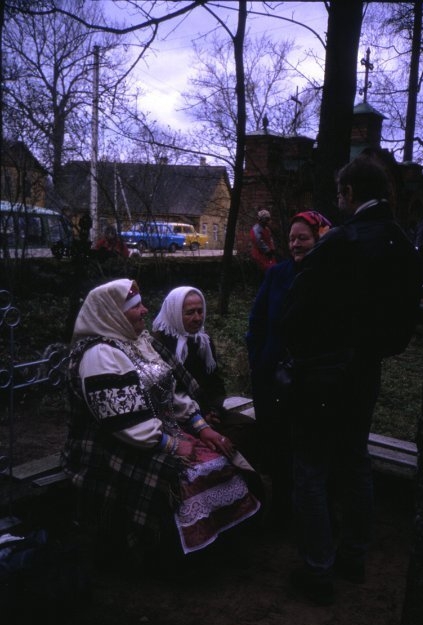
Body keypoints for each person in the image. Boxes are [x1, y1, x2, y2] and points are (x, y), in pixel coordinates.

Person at [282, 155, 422, 605]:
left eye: (341, 193)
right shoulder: (401, 244)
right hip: (366, 370)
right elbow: (405, 319)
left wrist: (302, 352)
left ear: (348, 193)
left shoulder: (343, 242)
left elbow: (297, 309)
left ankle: (318, 569)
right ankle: (353, 557)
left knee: (311, 467)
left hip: (325, 372)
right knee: (355, 460)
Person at [61, 278, 260, 564]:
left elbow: (172, 391)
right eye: (136, 306)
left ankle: (217, 538)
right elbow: (123, 422)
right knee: (180, 476)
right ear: (113, 315)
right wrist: (170, 444)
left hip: (154, 431)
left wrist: (201, 427)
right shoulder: (100, 355)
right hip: (110, 443)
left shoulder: (139, 342)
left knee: (222, 453)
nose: (145, 310)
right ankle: (170, 554)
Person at [246, 210, 332, 528]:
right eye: (292, 238)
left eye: (303, 238)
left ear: (320, 239)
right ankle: (280, 509)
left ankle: (313, 517)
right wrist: (259, 361)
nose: (296, 244)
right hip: (272, 378)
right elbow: (256, 322)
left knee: (307, 451)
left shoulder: (331, 277)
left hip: (311, 382)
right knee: (276, 445)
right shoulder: (277, 274)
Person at [152, 286, 262, 476]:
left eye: (200, 311)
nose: (197, 318)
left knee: (250, 425)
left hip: (207, 409)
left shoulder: (202, 341)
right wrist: (200, 417)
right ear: (174, 313)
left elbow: (214, 383)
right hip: (176, 415)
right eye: (190, 313)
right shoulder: (159, 346)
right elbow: (168, 393)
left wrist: (213, 411)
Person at [249, 209, 277, 274]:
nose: (267, 221)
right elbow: (258, 242)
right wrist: (267, 250)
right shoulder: (256, 230)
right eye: (266, 219)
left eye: (268, 219)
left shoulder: (266, 229)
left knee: (273, 269)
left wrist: (272, 249)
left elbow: (270, 239)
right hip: (260, 255)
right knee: (266, 271)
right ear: (261, 219)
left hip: (268, 255)